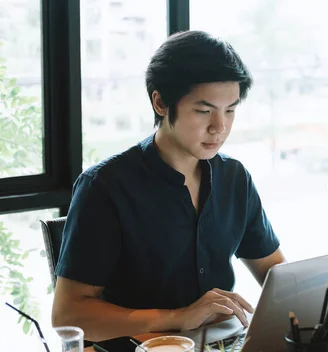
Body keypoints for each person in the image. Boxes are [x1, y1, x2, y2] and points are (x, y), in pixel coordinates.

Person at [51, 30, 285, 342]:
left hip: (220, 344)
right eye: (204, 111)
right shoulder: (105, 187)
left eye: (230, 110)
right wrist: (178, 318)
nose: (220, 127)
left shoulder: (234, 178)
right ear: (161, 103)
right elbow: (68, 316)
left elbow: (277, 275)